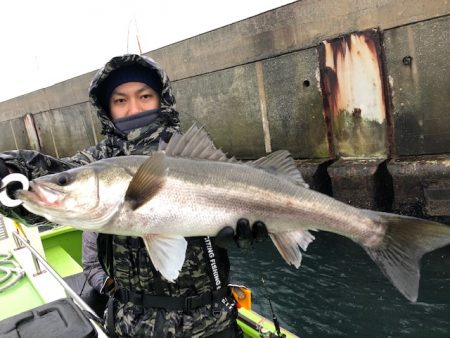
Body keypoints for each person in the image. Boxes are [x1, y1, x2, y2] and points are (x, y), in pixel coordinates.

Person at [0, 54, 267, 337]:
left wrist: (239, 236)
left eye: (144, 96)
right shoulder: (98, 160)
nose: (133, 109)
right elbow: (57, 176)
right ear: (107, 108)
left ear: (161, 98)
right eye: (120, 100)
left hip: (209, 323)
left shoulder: (192, 155)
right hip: (130, 325)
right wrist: (11, 171)